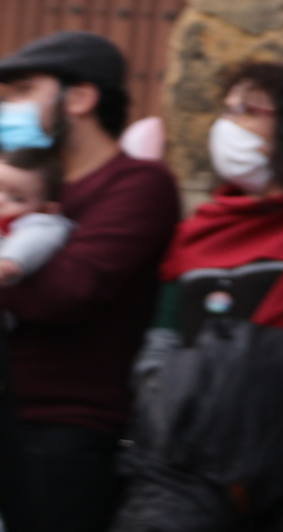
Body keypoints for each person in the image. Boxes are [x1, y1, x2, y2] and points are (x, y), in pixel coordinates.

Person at [113, 61, 283, 531]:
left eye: (249, 110)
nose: (228, 125)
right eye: (226, 110)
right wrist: (159, 396)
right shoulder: (201, 229)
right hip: (176, 462)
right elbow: (164, 334)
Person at [0, 31, 181, 532]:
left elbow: (67, 291)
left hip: (62, 431)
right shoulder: (20, 184)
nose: (6, 107)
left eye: (21, 91)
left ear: (79, 98)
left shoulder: (138, 185)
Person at [0, 148, 74, 285]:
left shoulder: (39, 222)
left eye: (17, 198)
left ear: (45, 208)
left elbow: (35, 239)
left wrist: (9, 261)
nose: (1, 200)